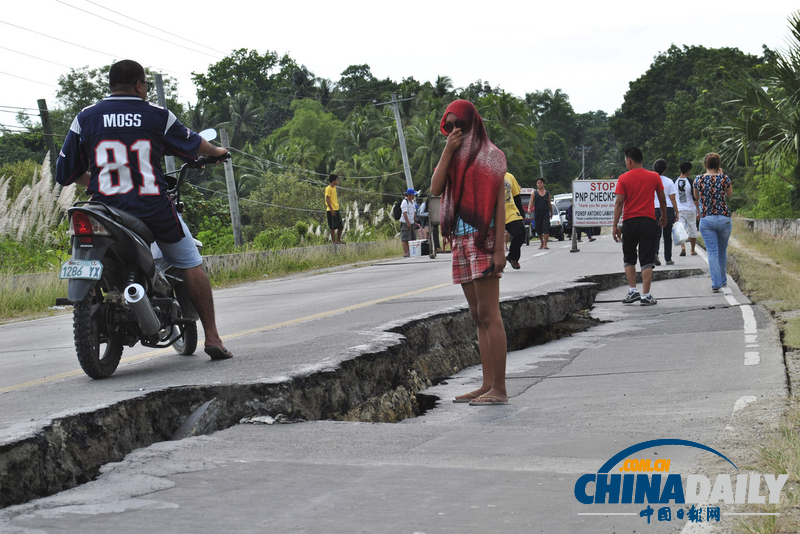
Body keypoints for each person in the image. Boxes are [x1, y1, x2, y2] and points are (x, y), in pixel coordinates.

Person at [55, 60, 232, 360]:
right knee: (190, 260)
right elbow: (193, 143)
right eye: (146, 86)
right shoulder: (156, 115)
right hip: (152, 208)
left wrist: (95, 183)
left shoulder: (85, 117)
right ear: (139, 86)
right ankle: (213, 337)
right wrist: (218, 152)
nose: (147, 91)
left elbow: (64, 172)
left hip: (104, 209)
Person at [430, 99, 508, 406]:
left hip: (483, 239)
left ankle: (499, 389)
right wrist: (448, 150)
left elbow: (500, 205)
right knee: (477, 316)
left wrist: (500, 248)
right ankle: (487, 384)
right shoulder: (453, 156)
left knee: (490, 314)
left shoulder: (491, 156)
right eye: (448, 126)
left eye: (458, 124)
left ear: (471, 123)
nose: (453, 130)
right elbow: (436, 189)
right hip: (460, 242)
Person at [612, 147, 668, 306]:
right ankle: (646, 295)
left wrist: (615, 225)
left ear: (629, 161)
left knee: (629, 257)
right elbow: (662, 199)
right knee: (647, 258)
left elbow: (619, 203)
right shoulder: (654, 176)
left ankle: (632, 290)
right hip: (648, 221)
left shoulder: (623, 178)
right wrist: (663, 216)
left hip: (630, 222)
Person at [693, 153, 733, 292]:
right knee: (722, 251)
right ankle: (723, 280)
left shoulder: (698, 179)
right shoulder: (724, 179)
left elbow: (696, 197)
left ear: (705, 164)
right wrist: (721, 176)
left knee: (712, 252)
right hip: (724, 218)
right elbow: (730, 194)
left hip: (707, 218)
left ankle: (716, 283)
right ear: (718, 165)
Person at [652, 159, 679, 266]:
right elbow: (672, 198)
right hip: (667, 208)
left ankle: (655, 253)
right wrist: (676, 211)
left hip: (654, 208)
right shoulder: (669, 181)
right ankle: (668, 258)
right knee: (667, 235)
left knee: (656, 234)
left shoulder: (651, 180)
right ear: (665, 169)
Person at [674, 161, 700, 256]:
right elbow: (695, 198)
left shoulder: (674, 181)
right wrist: (698, 210)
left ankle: (683, 247)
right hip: (690, 210)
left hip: (679, 209)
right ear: (688, 171)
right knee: (693, 229)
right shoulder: (691, 182)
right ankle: (692, 250)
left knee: (681, 229)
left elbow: (672, 196)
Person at [503, 172, 525, 269]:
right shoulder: (488, 175)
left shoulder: (510, 177)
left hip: (511, 211)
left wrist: (522, 212)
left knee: (520, 233)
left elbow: (516, 197)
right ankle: (494, 262)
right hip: (494, 213)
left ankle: (513, 257)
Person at [528, 177, 552, 249]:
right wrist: (529, 208)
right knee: (538, 230)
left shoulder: (547, 193)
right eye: (538, 183)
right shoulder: (534, 193)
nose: (539, 184)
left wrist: (552, 212)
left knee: (546, 229)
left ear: (544, 184)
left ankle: (545, 244)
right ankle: (542, 242)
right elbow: (531, 202)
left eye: (541, 183)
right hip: (538, 214)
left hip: (545, 213)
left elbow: (549, 203)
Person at [325, 174, 344, 244]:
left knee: (340, 225)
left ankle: (339, 239)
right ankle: (334, 241)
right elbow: (327, 200)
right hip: (331, 210)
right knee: (332, 226)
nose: (338, 181)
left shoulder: (334, 188)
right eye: (337, 180)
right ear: (333, 181)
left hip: (336, 208)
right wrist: (332, 210)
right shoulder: (328, 188)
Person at [400, 188, 419, 257]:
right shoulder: (405, 202)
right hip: (405, 222)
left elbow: (414, 212)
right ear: (408, 195)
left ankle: (411, 252)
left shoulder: (412, 202)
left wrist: (415, 221)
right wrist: (407, 222)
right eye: (412, 195)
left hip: (411, 222)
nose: (413, 197)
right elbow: (404, 213)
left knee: (412, 237)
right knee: (405, 238)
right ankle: (406, 252)